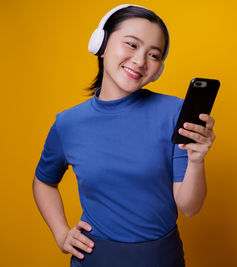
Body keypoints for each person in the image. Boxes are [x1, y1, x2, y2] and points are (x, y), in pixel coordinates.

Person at [32, 4, 216, 267]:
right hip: (95, 258)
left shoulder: (174, 111)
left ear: (159, 68)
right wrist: (61, 234)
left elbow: (189, 207)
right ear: (101, 44)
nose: (140, 61)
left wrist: (197, 161)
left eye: (154, 55)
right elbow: (44, 182)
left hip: (162, 259)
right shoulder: (68, 124)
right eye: (131, 44)